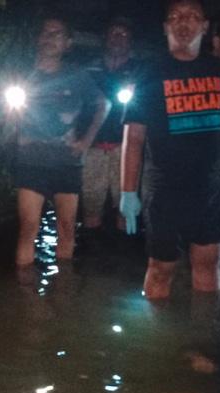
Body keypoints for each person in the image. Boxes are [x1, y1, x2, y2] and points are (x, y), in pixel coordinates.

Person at [120, 0, 220, 299]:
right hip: (164, 192)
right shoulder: (150, 72)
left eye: (193, 16)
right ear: (166, 26)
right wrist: (128, 191)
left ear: (204, 26)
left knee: (208, 266)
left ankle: (202, 335)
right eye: (176, 17)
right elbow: (134, 136)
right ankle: (157, 339)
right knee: (160, 269)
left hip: (212, 190)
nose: (184, 22)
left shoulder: (218, 70)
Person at [13, 14, 107, 267]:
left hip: (67, 161)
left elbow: (103, 104)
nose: (50, 38)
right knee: (28, 228)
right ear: (38, 39)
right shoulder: (24, 74)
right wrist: (17, 133)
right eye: (46, 33)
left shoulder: (77, 76)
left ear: (68, 43)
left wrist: (86, 142)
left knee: (66, 228)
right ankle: (25, 297)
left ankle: (64, 295)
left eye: (57, 34)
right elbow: (4, 106)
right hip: (32, 161)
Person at [81, 17, 140, 233]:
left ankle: (122, 258)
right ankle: (93, 259)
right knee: (91, 209)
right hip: (93, 148)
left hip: (124, 150)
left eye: (123, 34)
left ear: (131, 41)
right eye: (114, 33)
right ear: (105, 38)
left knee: (125, 211)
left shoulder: (139, 70)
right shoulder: (89, 69)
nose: (118, 39)